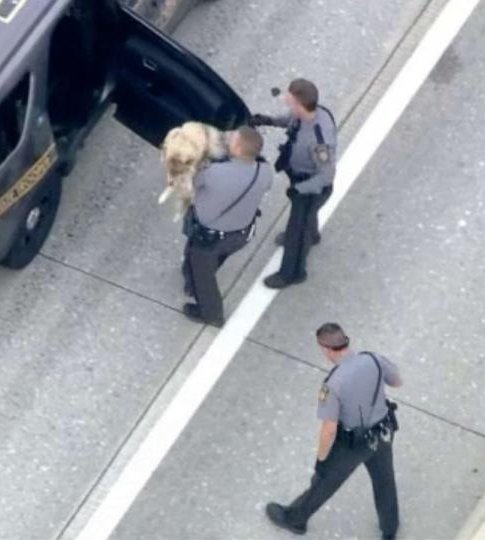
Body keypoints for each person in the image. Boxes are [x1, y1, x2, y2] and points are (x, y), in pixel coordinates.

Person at [265, 323, 402, 539]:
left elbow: (329, 429)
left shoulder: (332, 384)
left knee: (324, 481)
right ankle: (390, 528)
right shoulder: (373, 359)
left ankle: (295, 519)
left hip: (353, 444)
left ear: (326, 349)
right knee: (384, 479)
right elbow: (397, 381)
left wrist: (321, 460)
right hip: (384, 431)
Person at [249, 79, 338, 289]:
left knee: (296, 232)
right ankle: (313, 235)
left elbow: (326, 176)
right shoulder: (309, 112)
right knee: (305, 222)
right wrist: (268, 120)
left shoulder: (319, 141)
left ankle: (293, 272)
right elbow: (290, 120)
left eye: (289, 100)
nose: (285, 101)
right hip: (299, 176)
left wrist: (299, 190)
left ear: (300, 104)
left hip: (311, 187)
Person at [181, 127, 273, 327]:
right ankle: (191, 283)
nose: (229, 139)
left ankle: (211, 313)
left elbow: (194, 183)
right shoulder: (264, 172)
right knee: (212, 261)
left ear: (239, 150)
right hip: (240, 234)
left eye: (233, 140)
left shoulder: (216, 173)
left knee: (202, 271)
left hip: (211, 237)